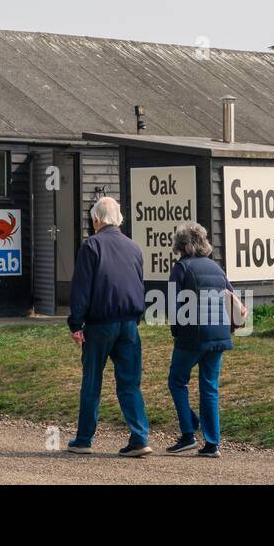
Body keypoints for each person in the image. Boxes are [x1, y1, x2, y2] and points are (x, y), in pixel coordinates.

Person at [66, 196, 151, 457]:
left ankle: (84, 439)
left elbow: (81, 290)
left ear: (96, 220)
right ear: (119, 219)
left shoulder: (91, 246)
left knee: (92, 381)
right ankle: (139, 438)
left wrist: (76, 324)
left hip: (100, 324)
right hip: (129, 323)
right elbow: (139, 284)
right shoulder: (134, 247)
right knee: (129, 383)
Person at [165, 221, 235, 458]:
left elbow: (174, 308)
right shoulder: (217, 268)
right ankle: (212, 443)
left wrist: (176, 333)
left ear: (180, 244)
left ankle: (188, 433)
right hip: (220, 335)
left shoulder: (181, 268)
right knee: (209, 387)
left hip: (192, 335)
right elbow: (231, 297)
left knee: (177, 381)